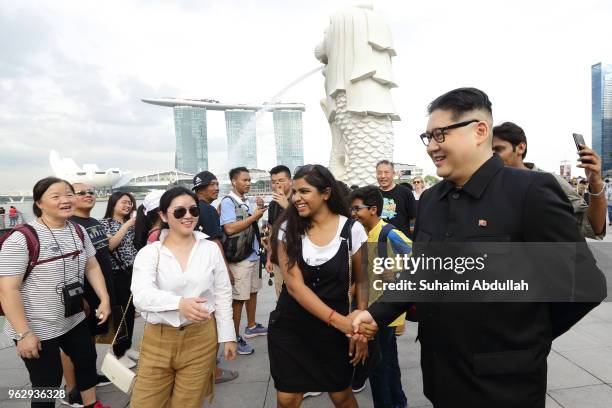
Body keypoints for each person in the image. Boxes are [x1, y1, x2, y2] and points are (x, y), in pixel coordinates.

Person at [351, 88, 606, 408]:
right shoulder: (430, 200)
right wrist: (376, 315)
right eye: (427, 137)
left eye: (440, 135)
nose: (431, 147)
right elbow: (419, 274)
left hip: (503, 386)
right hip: (440, 376)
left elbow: (585, 285)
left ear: (479, 131)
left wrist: (526, 338)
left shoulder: (530, 192)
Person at [0, 177, 111, 408]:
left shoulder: (78, 230)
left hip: (73, 317)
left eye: (69, 194)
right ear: (39, 203)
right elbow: (7, 289)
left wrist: (104, 298)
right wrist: (23, 334)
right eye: (56, 196)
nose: (65, 200)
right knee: (46, 383)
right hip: (36, 326)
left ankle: (90, 404)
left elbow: (91, 265)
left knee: (87, 360)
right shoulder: (22, 239)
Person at [268, 164, 368, 408]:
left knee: (340, 393)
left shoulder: (352, 229)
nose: (296, 198)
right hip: (291, 327)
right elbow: (294, 287)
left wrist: (359, 322)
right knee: (287, 398)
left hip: (334, 333)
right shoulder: (287, 229)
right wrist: (342, 322)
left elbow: (364, 279)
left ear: (326, 193)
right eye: (294, 192)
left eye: (304, 191)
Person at [130, 187, 236, 407]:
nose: (188, 216)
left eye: (193, 210)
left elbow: (223, 293)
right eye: (179, 212)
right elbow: (141, 295)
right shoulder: (150, 252)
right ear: (163, 215)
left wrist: (227, 335)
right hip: (158, 339)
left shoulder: (210, 249)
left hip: (201, 338)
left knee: (188, 403)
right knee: (144, 402)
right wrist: (179, 304)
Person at [492, 121, 607, 239]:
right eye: (489, 152)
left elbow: (593, 228)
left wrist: (596, 182)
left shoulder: (550, 182)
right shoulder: (487, 186)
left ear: (520, 148)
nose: (492, 156)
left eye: (498, 149)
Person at [348, 185, 409, 408]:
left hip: (384, 312)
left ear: (373, 209)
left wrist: (395, 269)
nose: (353, 213)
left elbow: (419, 258)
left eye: (357, 208)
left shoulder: (388, 233)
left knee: (379, 367)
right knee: (388, 365)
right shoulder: (362, 233)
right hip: (372, 310)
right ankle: (398, 403)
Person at [60, 183, 115, 406]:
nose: (88, 195)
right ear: (70, 198)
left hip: (99, 292)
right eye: (81, 193)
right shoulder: (69, 225)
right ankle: (72, 389)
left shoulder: (93, 223)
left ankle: (88, 378)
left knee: (88, 340)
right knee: (72, 344)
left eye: (90, 192)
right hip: (80, 296)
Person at [192, 171, 239, 384]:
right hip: (211, 270)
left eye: (217, 184)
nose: (216, 188)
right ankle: (212, 370)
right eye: (212, 184)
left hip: (195, 272)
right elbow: (215, 242)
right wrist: (226, 271)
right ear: (201, 188)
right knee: (212, 317)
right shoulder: (208, 210)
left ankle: (204, 365)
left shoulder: (194, 210)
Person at [219, 167, 267, 355]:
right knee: (238, 299)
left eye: (249, 180)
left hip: (253, 254)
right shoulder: (228, 202)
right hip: (240, 258)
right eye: (244, 180)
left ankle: (251, 326)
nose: (248, 183)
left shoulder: (244, 201)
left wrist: (256, 212)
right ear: (233, 181)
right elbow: (229, 229)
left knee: (252, 292)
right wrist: (255, 216)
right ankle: (234, 337)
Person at [100, 191, 139, 368]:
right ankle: (117, 351)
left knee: (130, 312)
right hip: (117, 274)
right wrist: (127, 225)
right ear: (113, 203)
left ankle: (126, 347)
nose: (128, 205)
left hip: (133, 271)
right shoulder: (104, 223)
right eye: (124, 202)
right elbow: (110, 245)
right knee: (120, 313)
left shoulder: (132, 223)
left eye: (130, 203)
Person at [266, 165, 293, 298]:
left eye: (281, 180)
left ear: (290, 181)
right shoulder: (272, 204)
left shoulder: (298, 200)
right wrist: (269, 258)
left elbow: (305, 226)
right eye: (274, 181)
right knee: (281, 297)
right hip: (277, 260)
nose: (277, 184)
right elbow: (272, 231)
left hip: (296, 258)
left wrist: (286, 206)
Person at [376, 161, 416, 238]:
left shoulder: (405, 192)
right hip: (378, 240)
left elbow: (413, 217)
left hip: (401, 240)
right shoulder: (373, 194)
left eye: (386, 172)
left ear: (393, 174)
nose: (382, 176)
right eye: (379, 173)